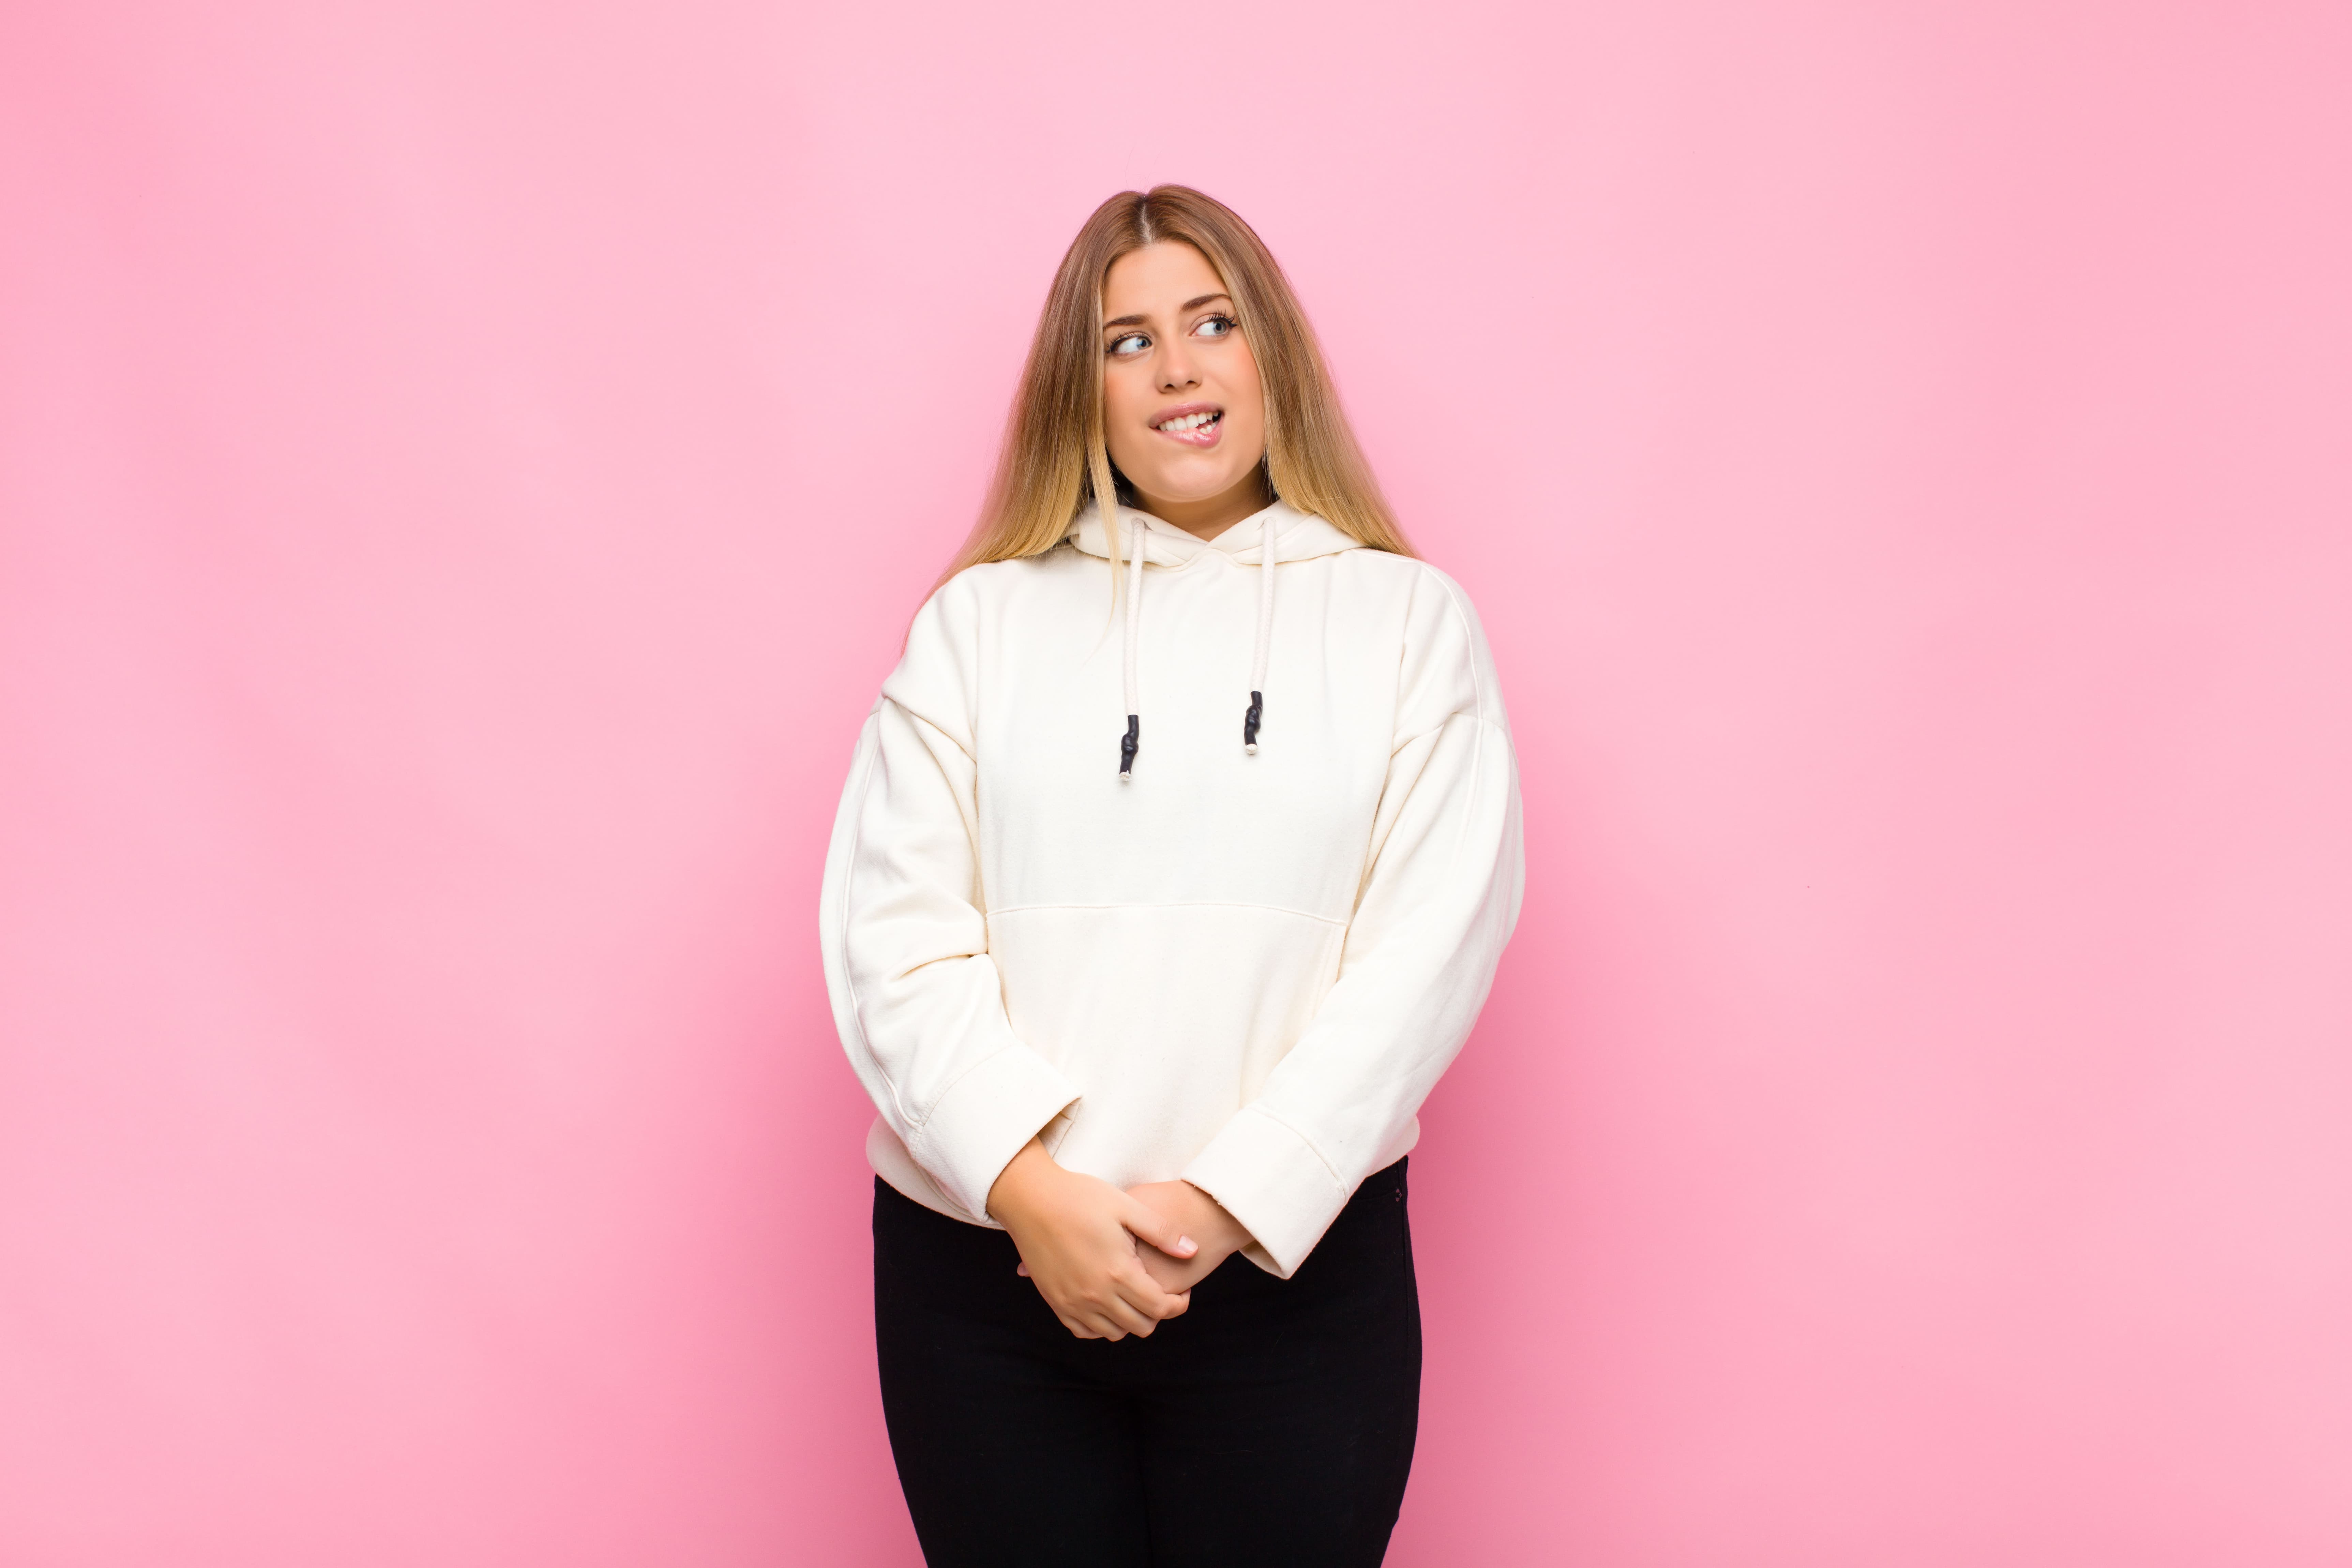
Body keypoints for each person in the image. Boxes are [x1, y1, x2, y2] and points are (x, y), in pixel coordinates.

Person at [818, 184, 1523, 1567]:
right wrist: (1032, 1195)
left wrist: (1223, 1206)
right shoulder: (976, 625)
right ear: (1077, 388)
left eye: (1213, 323)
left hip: (1292, 1275)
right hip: (990, 1273)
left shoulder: (1407, 622)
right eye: (1126, 341)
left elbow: (1428, 950)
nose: (1177, 370)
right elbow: (893, 934)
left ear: (1273, 355)